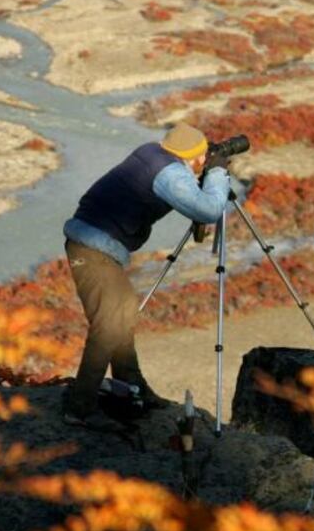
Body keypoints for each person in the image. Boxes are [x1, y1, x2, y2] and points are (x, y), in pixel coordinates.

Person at [61, 122, 231, 430]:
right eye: (201, 159)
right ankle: (80, 407)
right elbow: (208, 209)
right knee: (111, 322)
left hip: (91, 242)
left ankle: (133, 384)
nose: (201, 164)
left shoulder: (152, 153)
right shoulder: (170, 175)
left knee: (123, 311)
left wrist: (204, 168)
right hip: (93, 248)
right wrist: (218, 173)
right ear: (192, 158)